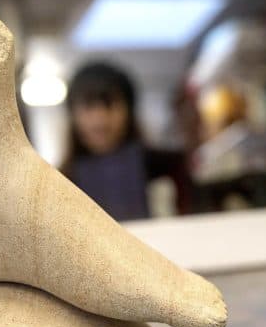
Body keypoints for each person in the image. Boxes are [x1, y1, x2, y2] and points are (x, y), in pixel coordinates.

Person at [61, 62, 190, 221]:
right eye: (89, 106)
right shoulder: (59, 183)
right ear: (73, 114)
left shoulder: (169, 168)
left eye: (110, 105)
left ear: (128, 110)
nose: (100, 119)